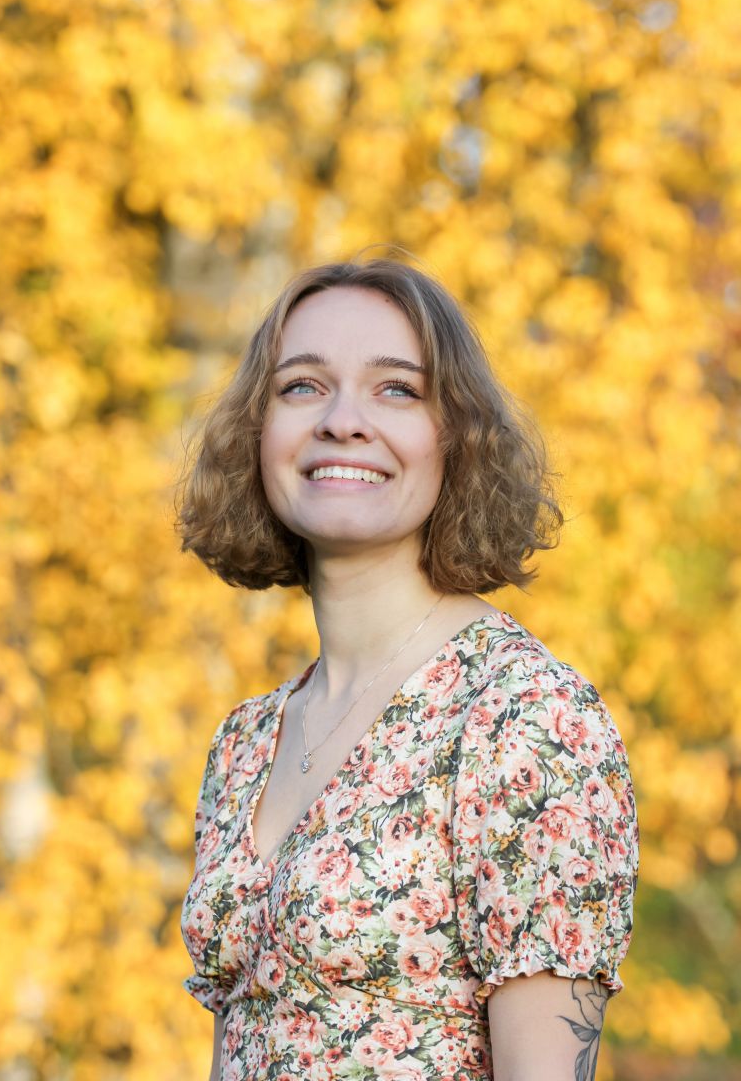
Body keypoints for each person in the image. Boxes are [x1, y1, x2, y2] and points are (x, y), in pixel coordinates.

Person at [177, 257, 638, 1081]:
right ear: (259, 433)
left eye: (396, 389)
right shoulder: (245, 744)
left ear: (456, 436)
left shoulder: (522, 718)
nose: (343, 420)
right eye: (302, 387)